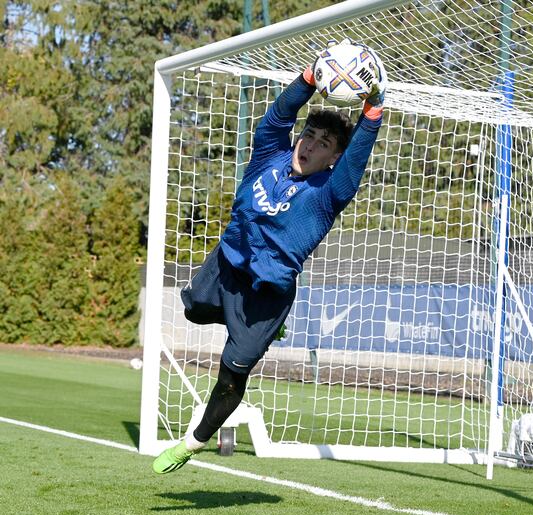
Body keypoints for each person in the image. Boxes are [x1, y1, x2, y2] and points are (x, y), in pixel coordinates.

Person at [153, 43, 386, 474]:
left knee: (231, 374)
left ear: (333, 157)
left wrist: (372, 110)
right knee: (192, 310)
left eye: (323, 144)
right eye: (308, 136)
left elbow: (357, 158)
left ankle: (194, 441)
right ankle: (243, 323)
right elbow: (278, 116)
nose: (310, 146)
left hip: (267, 292)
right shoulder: (269, 156)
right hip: (225, 264)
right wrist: (309, 79)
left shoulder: (329, 193)